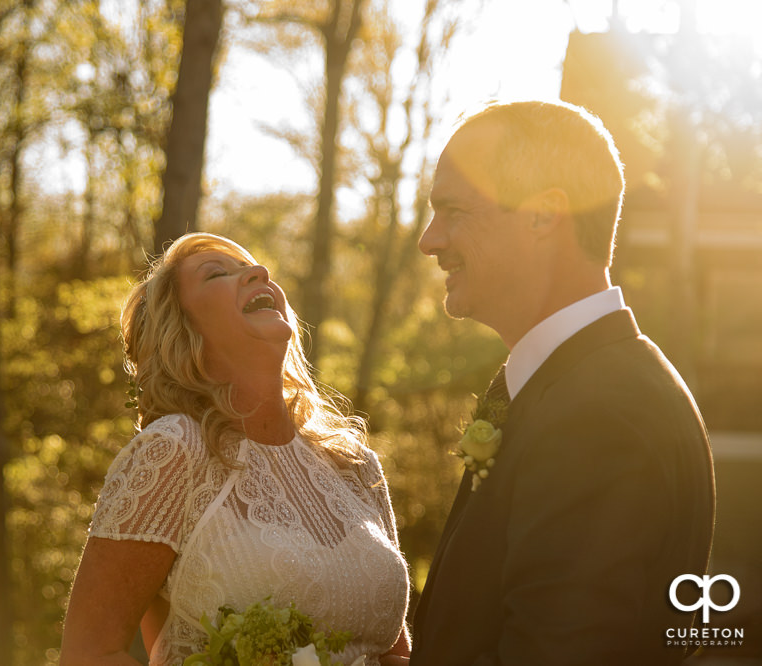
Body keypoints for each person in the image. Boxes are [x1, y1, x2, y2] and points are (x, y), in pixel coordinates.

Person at [409, 100, 715, 665]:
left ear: (543, 215)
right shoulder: (574, 385)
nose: (430, 240)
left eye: (452, 210)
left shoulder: (599, 415)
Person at [60, 232, 411, 666]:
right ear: (184, 328)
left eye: (254, 268)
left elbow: (394, 650)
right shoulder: (172, 451)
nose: (258, 273)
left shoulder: (353, 463)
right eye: (217, 274)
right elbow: (90, 653)